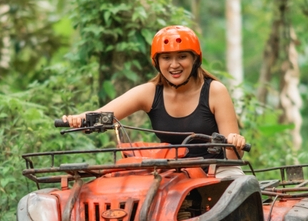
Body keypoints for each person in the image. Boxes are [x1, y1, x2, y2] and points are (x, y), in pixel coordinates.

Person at [62, 25, 246, 164]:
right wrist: (79, 120)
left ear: (195, 59)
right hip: (173, 173)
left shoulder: (214, 91)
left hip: (215, 172)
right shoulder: (150, 92)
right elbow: (101, 116)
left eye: (182, 56)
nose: (174, 65)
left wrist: (235, 143)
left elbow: (233, 158)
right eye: (166, 58)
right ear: (157, 62)